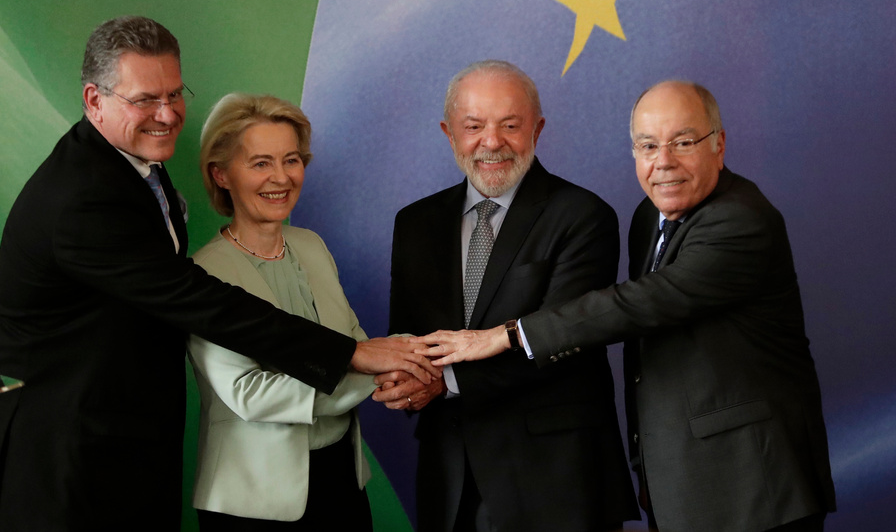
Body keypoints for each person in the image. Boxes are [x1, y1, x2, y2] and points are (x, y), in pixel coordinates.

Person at [0, 16, 432, 532]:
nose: (166, 115)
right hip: (62, 461)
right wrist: (354, 357)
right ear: (94, 100)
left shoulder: (136, 164)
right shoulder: (83, 198)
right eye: (144, 99)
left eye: (174, 93)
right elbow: (200, 301)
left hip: (121, 445)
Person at [416, 81, 837, 532]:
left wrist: (508, 333)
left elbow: (637, 305)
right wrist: (649, 468)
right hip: (685, 482)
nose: (664, 162)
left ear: (719, 144)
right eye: (648, 145)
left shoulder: (741, 220)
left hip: (756, 487)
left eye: (683, 142)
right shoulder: (649, 216)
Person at [375, 61, 638, 532]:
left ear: (537, 128)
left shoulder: (583, 215)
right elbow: (409, 335)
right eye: (473, 126)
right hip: (450, 477)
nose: (492, 142)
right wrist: (406, 379)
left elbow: (562, 341)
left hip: (553, 482)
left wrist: (444, 381)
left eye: (510, 125)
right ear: (448, 133)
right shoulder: (415, 224)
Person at [186, 93, 376, 531]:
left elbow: (354, 339)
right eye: (260, 163)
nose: (281, 177)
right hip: (252, 501)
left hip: (342, 482)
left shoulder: (312, 245)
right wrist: (373, 377)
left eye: (291, 160)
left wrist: (374, 361)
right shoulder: (204, 272)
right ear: (221, 174)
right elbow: (249, 393)